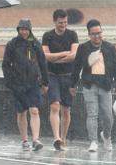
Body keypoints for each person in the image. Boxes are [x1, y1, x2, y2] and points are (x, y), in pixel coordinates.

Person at [70, 19, 116, 153]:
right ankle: (93, 141)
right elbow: (76, 67)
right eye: (93, 34)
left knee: (108, 115)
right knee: (92, 114)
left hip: (106, 85)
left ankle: (106, 136)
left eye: (99, 33)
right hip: (89, 85)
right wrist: (72, 84)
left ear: (102, 32)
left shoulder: (110, 47)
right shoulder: (83, 48)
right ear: (89, 35)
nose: (97, 36)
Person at [2, 19, 49, 152]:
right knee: (21, 112)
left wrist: (45, 82)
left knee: (34, 110)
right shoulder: (12, 44)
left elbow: (43, 63)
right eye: (21, 29)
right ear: (18, 30)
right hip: (18, 83)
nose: (24, 32)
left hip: (33, 82)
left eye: (26, 29)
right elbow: (6, 65)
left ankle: (35, 139)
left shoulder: (35, 44)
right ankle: (24, 140)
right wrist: (10, 81)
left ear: (30, 30)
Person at [42, 9, 78, 151]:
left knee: (66, 109)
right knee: (54, 105)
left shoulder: (72, 35)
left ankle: (63, 138)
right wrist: (64, 53)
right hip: (52, 75)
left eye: (65, 22)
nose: (63, 25)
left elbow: (74, 55)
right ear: (54, 22)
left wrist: (54, 58)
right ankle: (56, 137)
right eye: (60, 22)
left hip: (68, 75)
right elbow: (45, 56)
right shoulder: (47, 36)